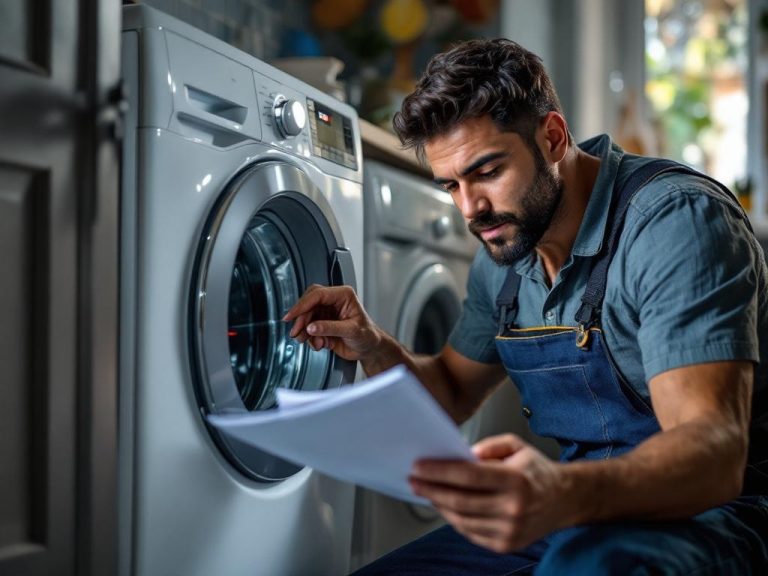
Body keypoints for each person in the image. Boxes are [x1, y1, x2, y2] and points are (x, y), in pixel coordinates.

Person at [283, 38, 768, 574]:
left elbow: (713, 458)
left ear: (553, 137)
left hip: (724, 512)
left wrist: (558, 489)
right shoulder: (506, 251)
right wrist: (374, 347)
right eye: (451, 185)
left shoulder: (675, 223)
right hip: (582, 510)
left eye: (488, 172)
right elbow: (448, 389)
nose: (472, 209)